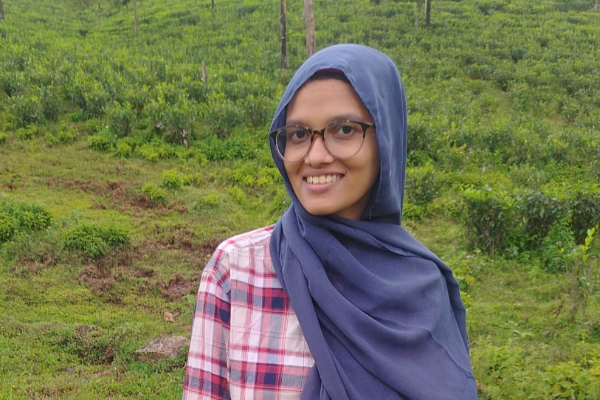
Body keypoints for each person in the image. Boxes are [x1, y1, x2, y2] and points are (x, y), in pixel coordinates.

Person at [183, 44, 478, 400]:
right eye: (298, 134)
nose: (316, 156)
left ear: (385, 139)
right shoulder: (237, 270)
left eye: (344, 130)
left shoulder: (424, 287)